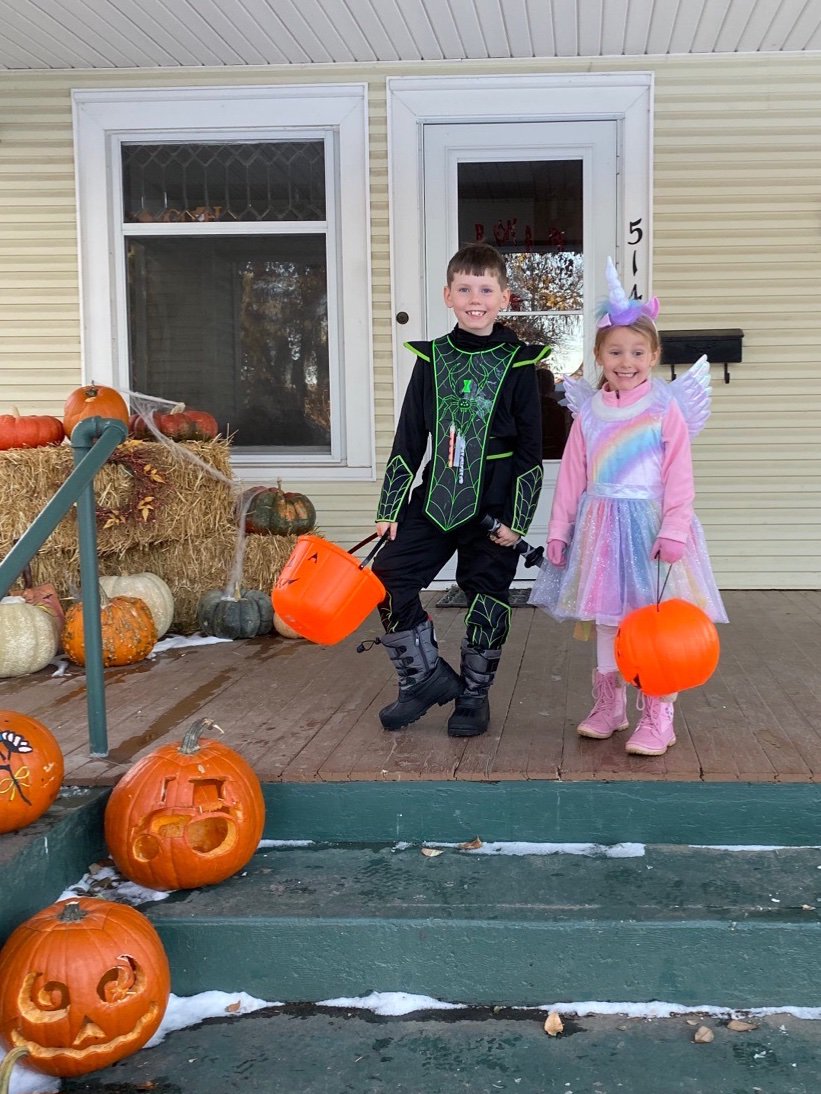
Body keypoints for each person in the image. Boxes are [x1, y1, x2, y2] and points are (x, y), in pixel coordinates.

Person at [529, 258, 727, 756]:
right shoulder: (589, 413)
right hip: (599, 527)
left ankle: (659, 713)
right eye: (615, 351)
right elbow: (572, 477)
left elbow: (679, 476)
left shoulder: (664, 408)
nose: (626, 361)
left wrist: (674, 528)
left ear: (654, 354)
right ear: (599, 356)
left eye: (638, 352)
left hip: (650, 527)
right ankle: (609, 705)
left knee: (649, 619)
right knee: (607, 618)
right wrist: (559, 531)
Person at [369, 243, 550, 737]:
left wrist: (518, 519)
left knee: (487, 593)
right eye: (465, 289)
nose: (475, 299)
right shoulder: (431, 359)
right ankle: (423, 678)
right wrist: (390, 508)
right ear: (448, 295)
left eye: (486, 290)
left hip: (495, 502)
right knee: (387, 577)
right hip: (436, 495)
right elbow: (410, 437)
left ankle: (473, 696)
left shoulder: (519, 363)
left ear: (504, 298)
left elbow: (530, 450)